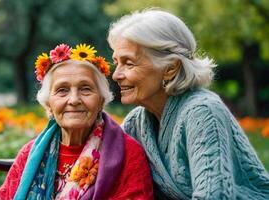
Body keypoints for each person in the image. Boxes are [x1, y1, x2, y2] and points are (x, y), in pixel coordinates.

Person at [108, 8, 269, 200]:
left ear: (170, 68)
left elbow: (213, 196)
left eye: (129, 63)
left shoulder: (202, 111)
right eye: (116, 62)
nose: (116, 74)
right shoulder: (136, 123)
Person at [0, 43, 154, 200]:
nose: (74, 99)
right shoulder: (30, 153)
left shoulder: (128, 154)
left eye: (85, 89)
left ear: (101, 100)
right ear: (49, 103)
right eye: (62, 90)